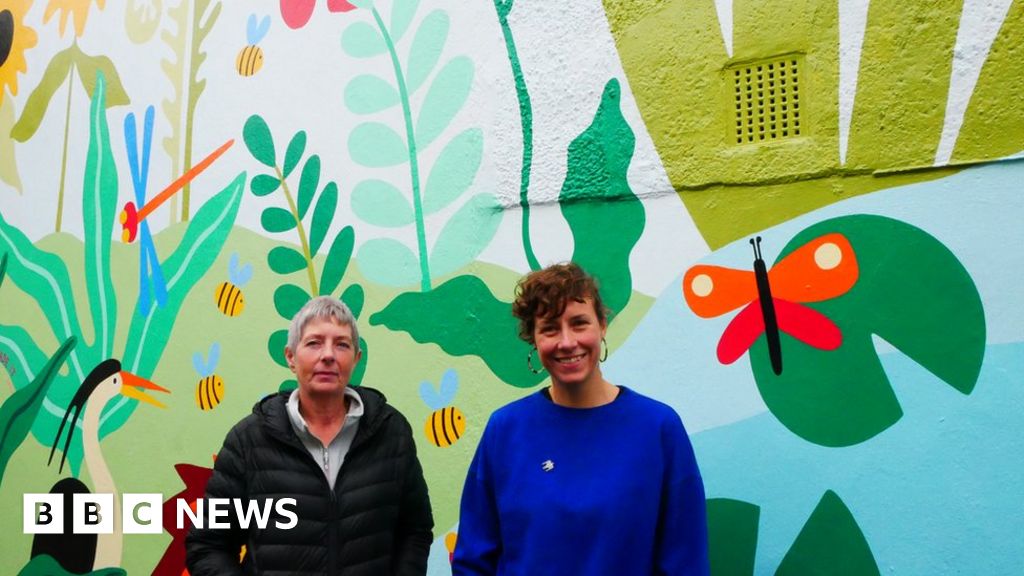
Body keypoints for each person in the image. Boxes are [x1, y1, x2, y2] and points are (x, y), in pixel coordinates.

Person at [452, 263, 709, 575]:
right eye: (549, 328)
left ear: (602, 325)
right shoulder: (504, 431)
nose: (566, 341)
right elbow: (473, 560)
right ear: (534, 338)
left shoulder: (658, 428)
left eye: (579, 323)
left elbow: (686, 560)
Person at [186, 296, 433, 575]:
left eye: (341, 344)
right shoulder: (248, 441)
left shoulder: (391, 432)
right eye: (314, 343)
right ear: (291, 356)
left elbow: (415, 530)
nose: (328, 355)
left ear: (356, 358)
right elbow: (207, 545)